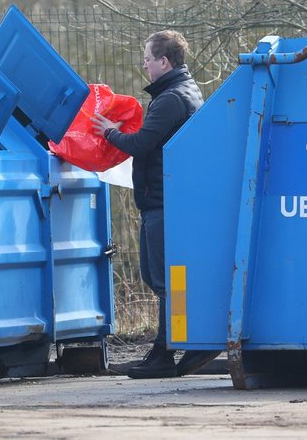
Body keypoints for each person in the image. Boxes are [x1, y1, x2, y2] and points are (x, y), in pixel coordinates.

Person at [93, 30, 218, 379]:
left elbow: (142, 145)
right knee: (162, 278)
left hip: (162, 203)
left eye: (148, 58)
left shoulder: (170, 99)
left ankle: (166, 352)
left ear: (164, 61)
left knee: (162, 279)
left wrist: (108, 132)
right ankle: (184, 345)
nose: (144, 65)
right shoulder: (185, 91)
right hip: (171, 200)